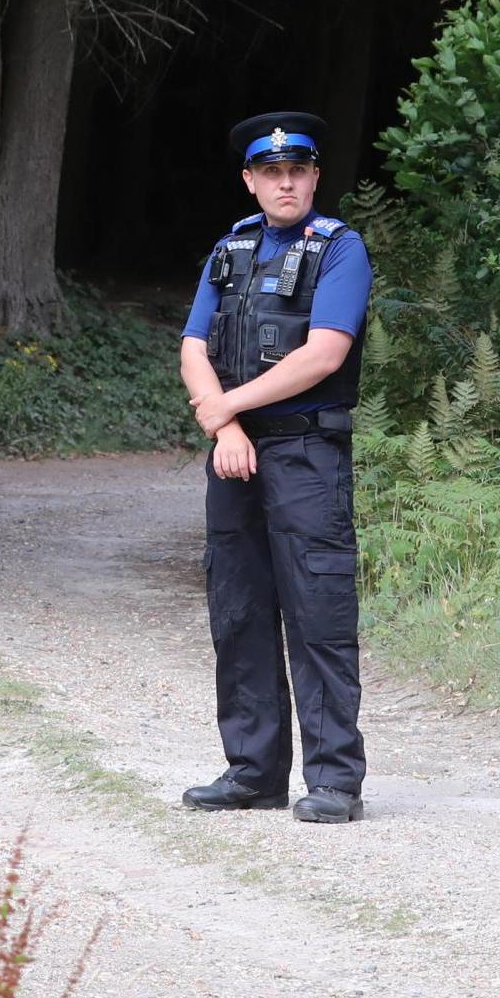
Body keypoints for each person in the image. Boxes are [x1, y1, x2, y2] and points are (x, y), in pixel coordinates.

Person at [178, 111, 372, 823]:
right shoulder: (229, 249)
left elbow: (323, 352)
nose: (284, 182)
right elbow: (192, 344)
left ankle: (333, 782)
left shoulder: (338, 250)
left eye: (297, 171)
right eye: (270, 173)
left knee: (317, 614)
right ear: (250, 180)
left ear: (314, 176)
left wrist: (225, 407)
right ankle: (253, 772)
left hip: (304, 452)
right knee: (238, 612)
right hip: (233, 455)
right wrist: (223, 422)